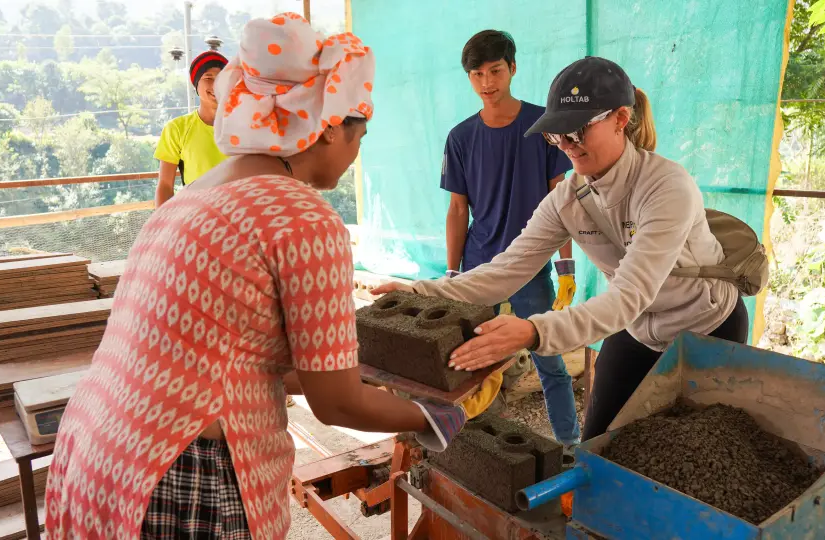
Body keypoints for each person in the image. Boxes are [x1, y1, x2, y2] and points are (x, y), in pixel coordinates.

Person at [44, 15, 496, 539]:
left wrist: (365, 375)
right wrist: (433, 418)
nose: (356, 155)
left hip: (100, 448)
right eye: (359, 136)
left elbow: (235, 359)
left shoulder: (193, 197)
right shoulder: (303, 217)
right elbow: (337, 405)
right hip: (186, 473)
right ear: (328, 127)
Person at [374, 56, 750, 443]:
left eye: (579, 131)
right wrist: (420, 292)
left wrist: (533, 331)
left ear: (621, 118)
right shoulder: (568, 198)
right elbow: (506, 270)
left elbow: (629, 295)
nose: (568, 145)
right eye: (557, 135)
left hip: (706, 325)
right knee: (599, 442)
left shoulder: (666, 186)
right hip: (640, 328)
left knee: (697, 448)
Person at [443, 30, 579, 448]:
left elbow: (562, 198)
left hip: (530, 270)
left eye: (495, 70)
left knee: (550, 361)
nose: (487, 82)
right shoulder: (461, 137)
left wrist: (566, 266)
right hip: (479, 269)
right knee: (466, 365)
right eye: (477, 73)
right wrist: (451, 273)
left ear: (513, 68)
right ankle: (463, 448)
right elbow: (458, 209)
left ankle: (570, 447)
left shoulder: (543, 128)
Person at [153, 50, 230, 207]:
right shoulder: (177, 129)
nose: (216, 85)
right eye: (208, 77)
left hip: (240, 217)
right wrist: (162, 226)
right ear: (196, 84)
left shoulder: (246, 127)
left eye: (222, 78)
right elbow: (165, 185)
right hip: (196, 218)